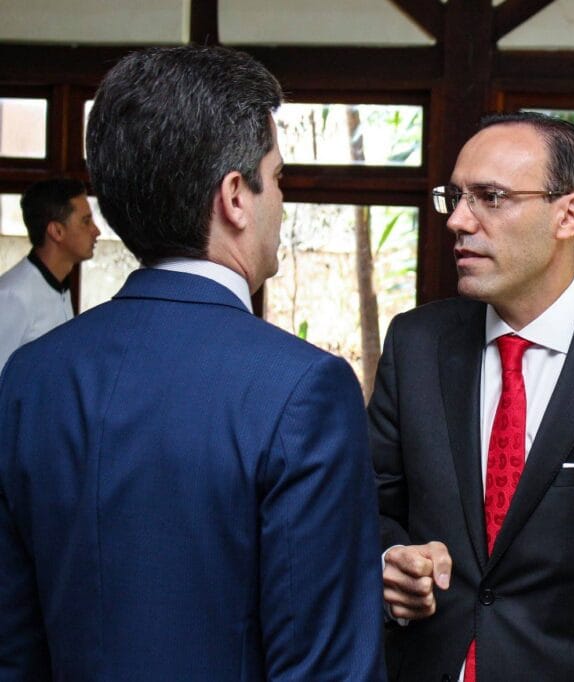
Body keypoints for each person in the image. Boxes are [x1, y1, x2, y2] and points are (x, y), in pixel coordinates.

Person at [0, 46, 384, 680]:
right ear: (235, 196)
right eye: (279, 178)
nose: (281, 202)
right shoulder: (302, 390)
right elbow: (328, 667)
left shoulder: (30, 377)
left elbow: (14, 647)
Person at [369, 111, 574, 681]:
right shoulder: (416, 345)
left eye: (490, 198)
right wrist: (390, 560)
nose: (458, 221)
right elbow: (367, 506)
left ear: (569, 215)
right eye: (455, 197)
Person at [0, 177, 99, 369]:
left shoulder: (60, 286)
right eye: (86, 221)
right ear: (57, 231)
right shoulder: (12, 296)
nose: (96, 231)